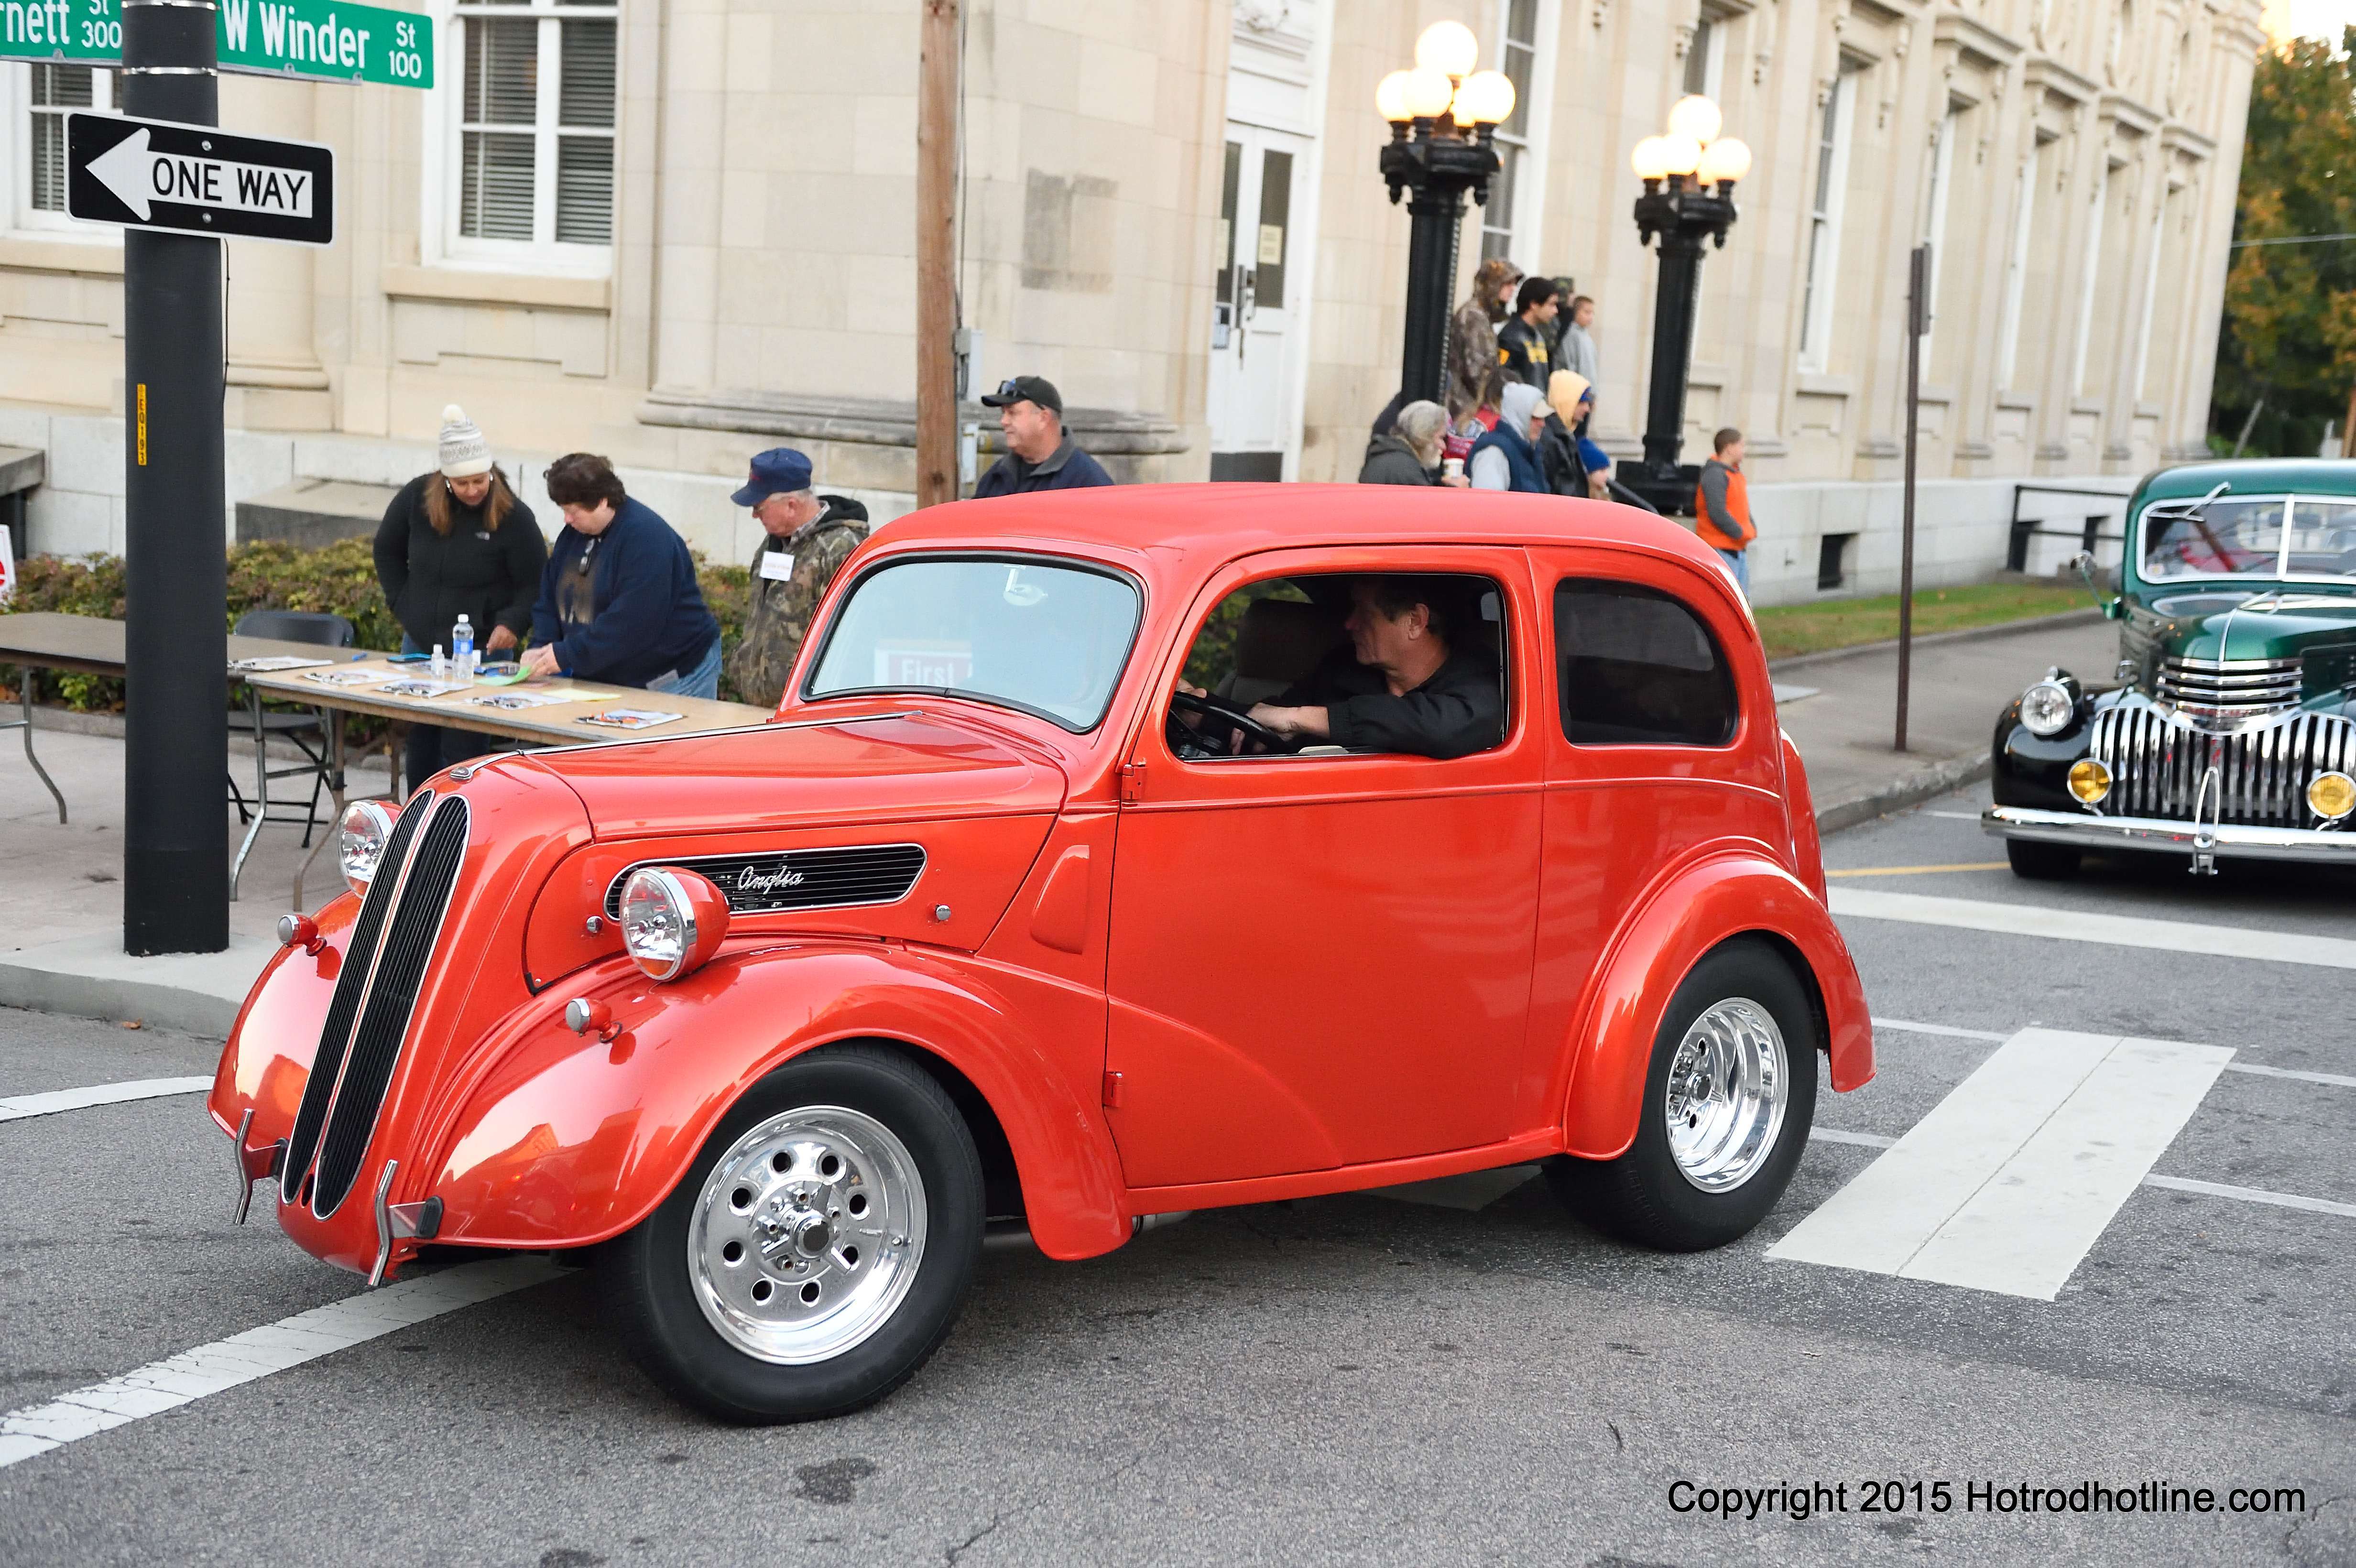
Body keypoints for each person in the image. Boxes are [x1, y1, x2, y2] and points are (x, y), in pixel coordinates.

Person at [373, 405, 548, 787]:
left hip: (482, 645)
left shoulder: (515, 517)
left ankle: (461, 826)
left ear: (491, 474)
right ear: (446, 480)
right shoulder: (416, 498)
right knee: (421, 739)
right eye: (462, 483)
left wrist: (512, 622)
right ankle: (419, 821)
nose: (472, 491)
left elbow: (535, 582)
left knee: (464, 748)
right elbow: (386, 550)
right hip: (422, 641)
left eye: (479, 481)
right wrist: (402, 603)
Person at [1230, 576, 1502, 760]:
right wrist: (1202, 709)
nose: (1349, 624)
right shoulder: (1343, 669)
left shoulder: (1480, 680)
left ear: (1416, 621)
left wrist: (1302, 719)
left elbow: (1444, 728)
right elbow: (1274, 720)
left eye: (1364, 612)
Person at [525, 453, 724, 697]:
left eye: (573, 512)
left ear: (601, 502)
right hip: (608, 673)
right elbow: (550, 596)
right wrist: (541, 648)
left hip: (671, 674)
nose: (567, 519)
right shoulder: (573, 535)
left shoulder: (647, 541)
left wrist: (567, 654)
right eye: (563, 511)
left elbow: (632, 623)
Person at [723, 446, 872, 710]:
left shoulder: (840, 547)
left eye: (759, 506)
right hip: (760, 703)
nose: (754, 515)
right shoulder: (775, 541)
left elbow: (848, 640)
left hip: (806, 710)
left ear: (792, 505)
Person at [973, 376, 1114, 496]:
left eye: (1013, 413)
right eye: (1003, 413)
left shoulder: (1088, 483)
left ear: (1043, 418)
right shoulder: (997, 475)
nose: (1004, 421)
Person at [1446, 257, 1522, 420]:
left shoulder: (1482, 316)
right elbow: (1477, 371)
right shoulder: (1474, 316)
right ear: (1493, 285)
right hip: (1466, 409)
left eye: (1514, 284)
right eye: (1507, 283)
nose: (1513, 289)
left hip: (1472, 406)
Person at [1695, 427, 1755, 597]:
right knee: (1725, 599)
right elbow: (1717, 512)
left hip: (1736, 549)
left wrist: (1751, 528)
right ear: (1729, 448)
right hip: (1722, 549)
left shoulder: (1734, 474)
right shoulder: (1715, 474)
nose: (1744, 451)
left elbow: (1741, 507)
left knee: (1742, 602)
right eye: (1741, 446)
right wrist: (1740, 533)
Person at [1468, 381, 1551, 493]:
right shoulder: (1494, 452)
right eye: (1535, 417)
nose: (1542, 424)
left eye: (1543, 418)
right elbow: (1487, 505)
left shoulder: (1529, 450)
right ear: (1519, 415)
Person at [1358, 400, 1466, 486]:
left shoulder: (1389, 456)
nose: (1443, 446)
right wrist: (1458, 493)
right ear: (1424, 436)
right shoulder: (1405, 469)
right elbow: (1428, 510)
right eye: (1441, 438)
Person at [1541, 372, 1613, 500]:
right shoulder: (1550, 440)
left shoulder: (1565, 437)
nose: (1587, 409)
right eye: (1581, 402)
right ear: (1566, 401)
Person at [1497, 276, 1561, 390]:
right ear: (1534, 305)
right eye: (1551, 304)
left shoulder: (1538, 336)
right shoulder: (1511, 337)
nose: (1556, 310)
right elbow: (1503, 381)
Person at [1559, 294, 1600, 386]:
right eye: (1587, 312)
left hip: (1588, 392)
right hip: (1576, 392)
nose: (1591, 317)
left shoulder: (1587, 337)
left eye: (1592, 313)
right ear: (1575, 312)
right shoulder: (1570, 335)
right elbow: (1570, 365)